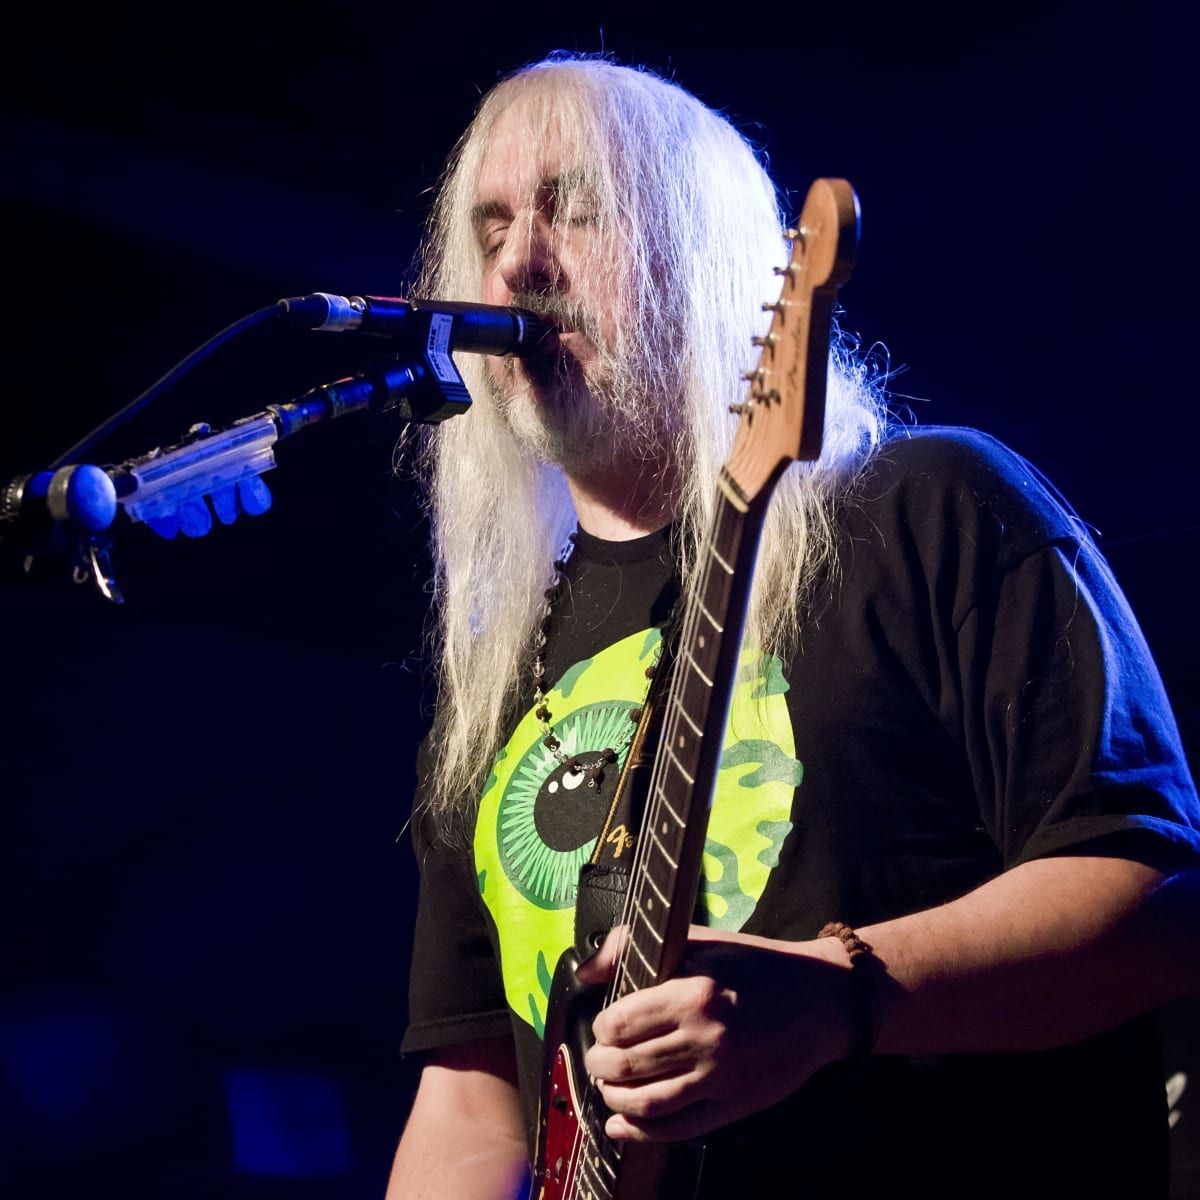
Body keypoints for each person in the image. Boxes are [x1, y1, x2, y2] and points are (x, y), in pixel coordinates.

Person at [387, 54, 1200, 1198]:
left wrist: (842, 998)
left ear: (701, 250)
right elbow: (474, 1097)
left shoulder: (928, 510)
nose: (520, 259)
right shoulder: (499, 669)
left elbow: (1159, 897)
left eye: (576, 208)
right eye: (493, 223)